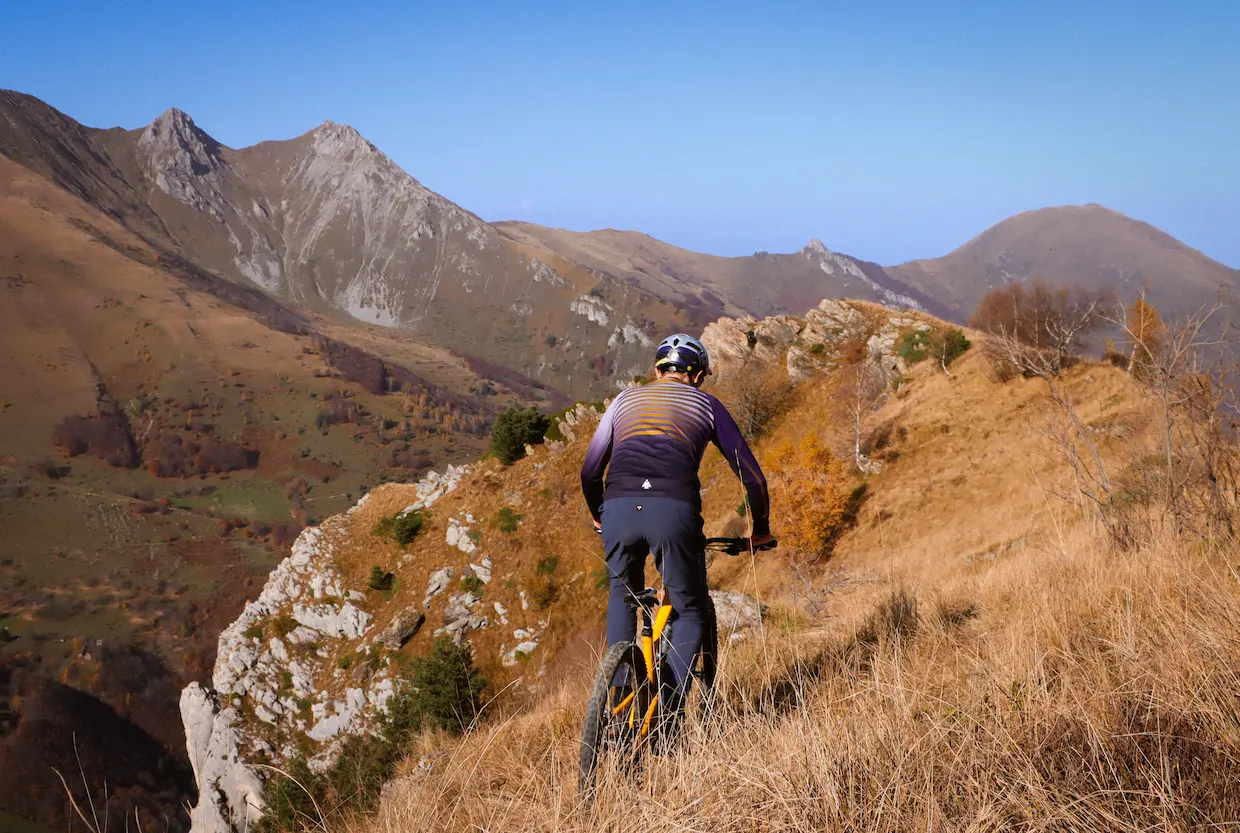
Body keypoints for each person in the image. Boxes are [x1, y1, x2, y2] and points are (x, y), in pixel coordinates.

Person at [580, 333, 773, 724]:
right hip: (674, 510)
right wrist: (762, 530)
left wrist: (599, 513)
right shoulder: (707, 404)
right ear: (698, 375)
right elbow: (752, 477)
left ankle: (619, 700)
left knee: (622, 594)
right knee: (690, 611)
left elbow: (589, 470)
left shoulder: (623, 401)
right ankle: (665, 720)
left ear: (657, 370)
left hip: (616, 507)